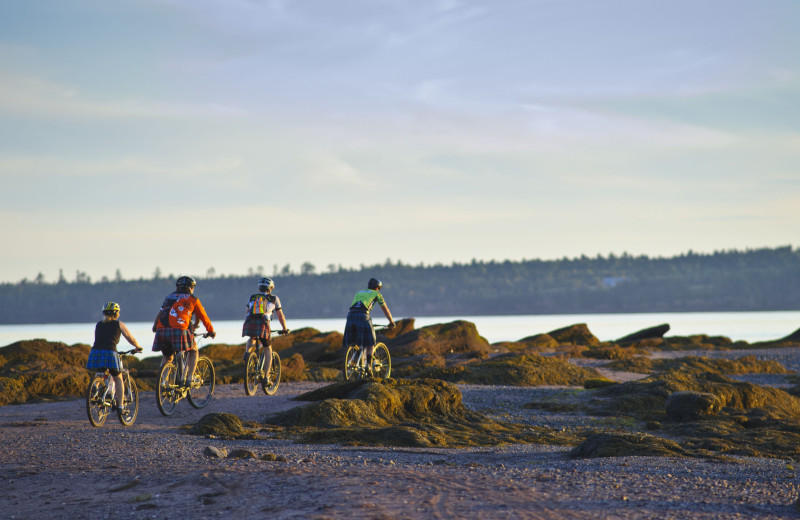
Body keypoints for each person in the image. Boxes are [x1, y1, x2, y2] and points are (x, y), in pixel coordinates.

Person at [152, 276, 216, 387]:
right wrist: (210, 330)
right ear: (191, 288)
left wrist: (155, 327)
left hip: (161, 331)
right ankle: (190, 378)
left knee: (167, 357)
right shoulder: (192, 299)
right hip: (179, 330)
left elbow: (161, 313)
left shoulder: (168, 297)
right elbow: (203, 316)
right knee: (194, 350)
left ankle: (163, 382)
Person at [86, 302, 143, 415]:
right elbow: (130, 338)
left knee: (101, 371)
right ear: (116, 313)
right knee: (118, 378)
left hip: (96, 352)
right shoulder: (119, 324)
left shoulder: (98, 324)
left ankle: (95, 388)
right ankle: (121, 406)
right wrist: (137, 347)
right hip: (110, 352)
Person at [342, 277, 395, 376]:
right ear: (377, 288)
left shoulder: (359, 292)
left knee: (355, 341)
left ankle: (355, 359)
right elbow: (385, 309)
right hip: (363, 316)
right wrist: (391, 322)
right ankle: (369, 366)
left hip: (350, 315)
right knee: (370, 342)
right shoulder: (377, 294)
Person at [242, 277, 289, 379]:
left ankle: (247, 353)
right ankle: (266, 377)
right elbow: (280, 316)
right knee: (268, 349)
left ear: (260, 288)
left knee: (252, 338)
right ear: (270, 288)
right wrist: (284, 328)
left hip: (249, 322)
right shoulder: (274, 298)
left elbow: (247, 312)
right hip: (263, 324)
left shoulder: (252, 297)